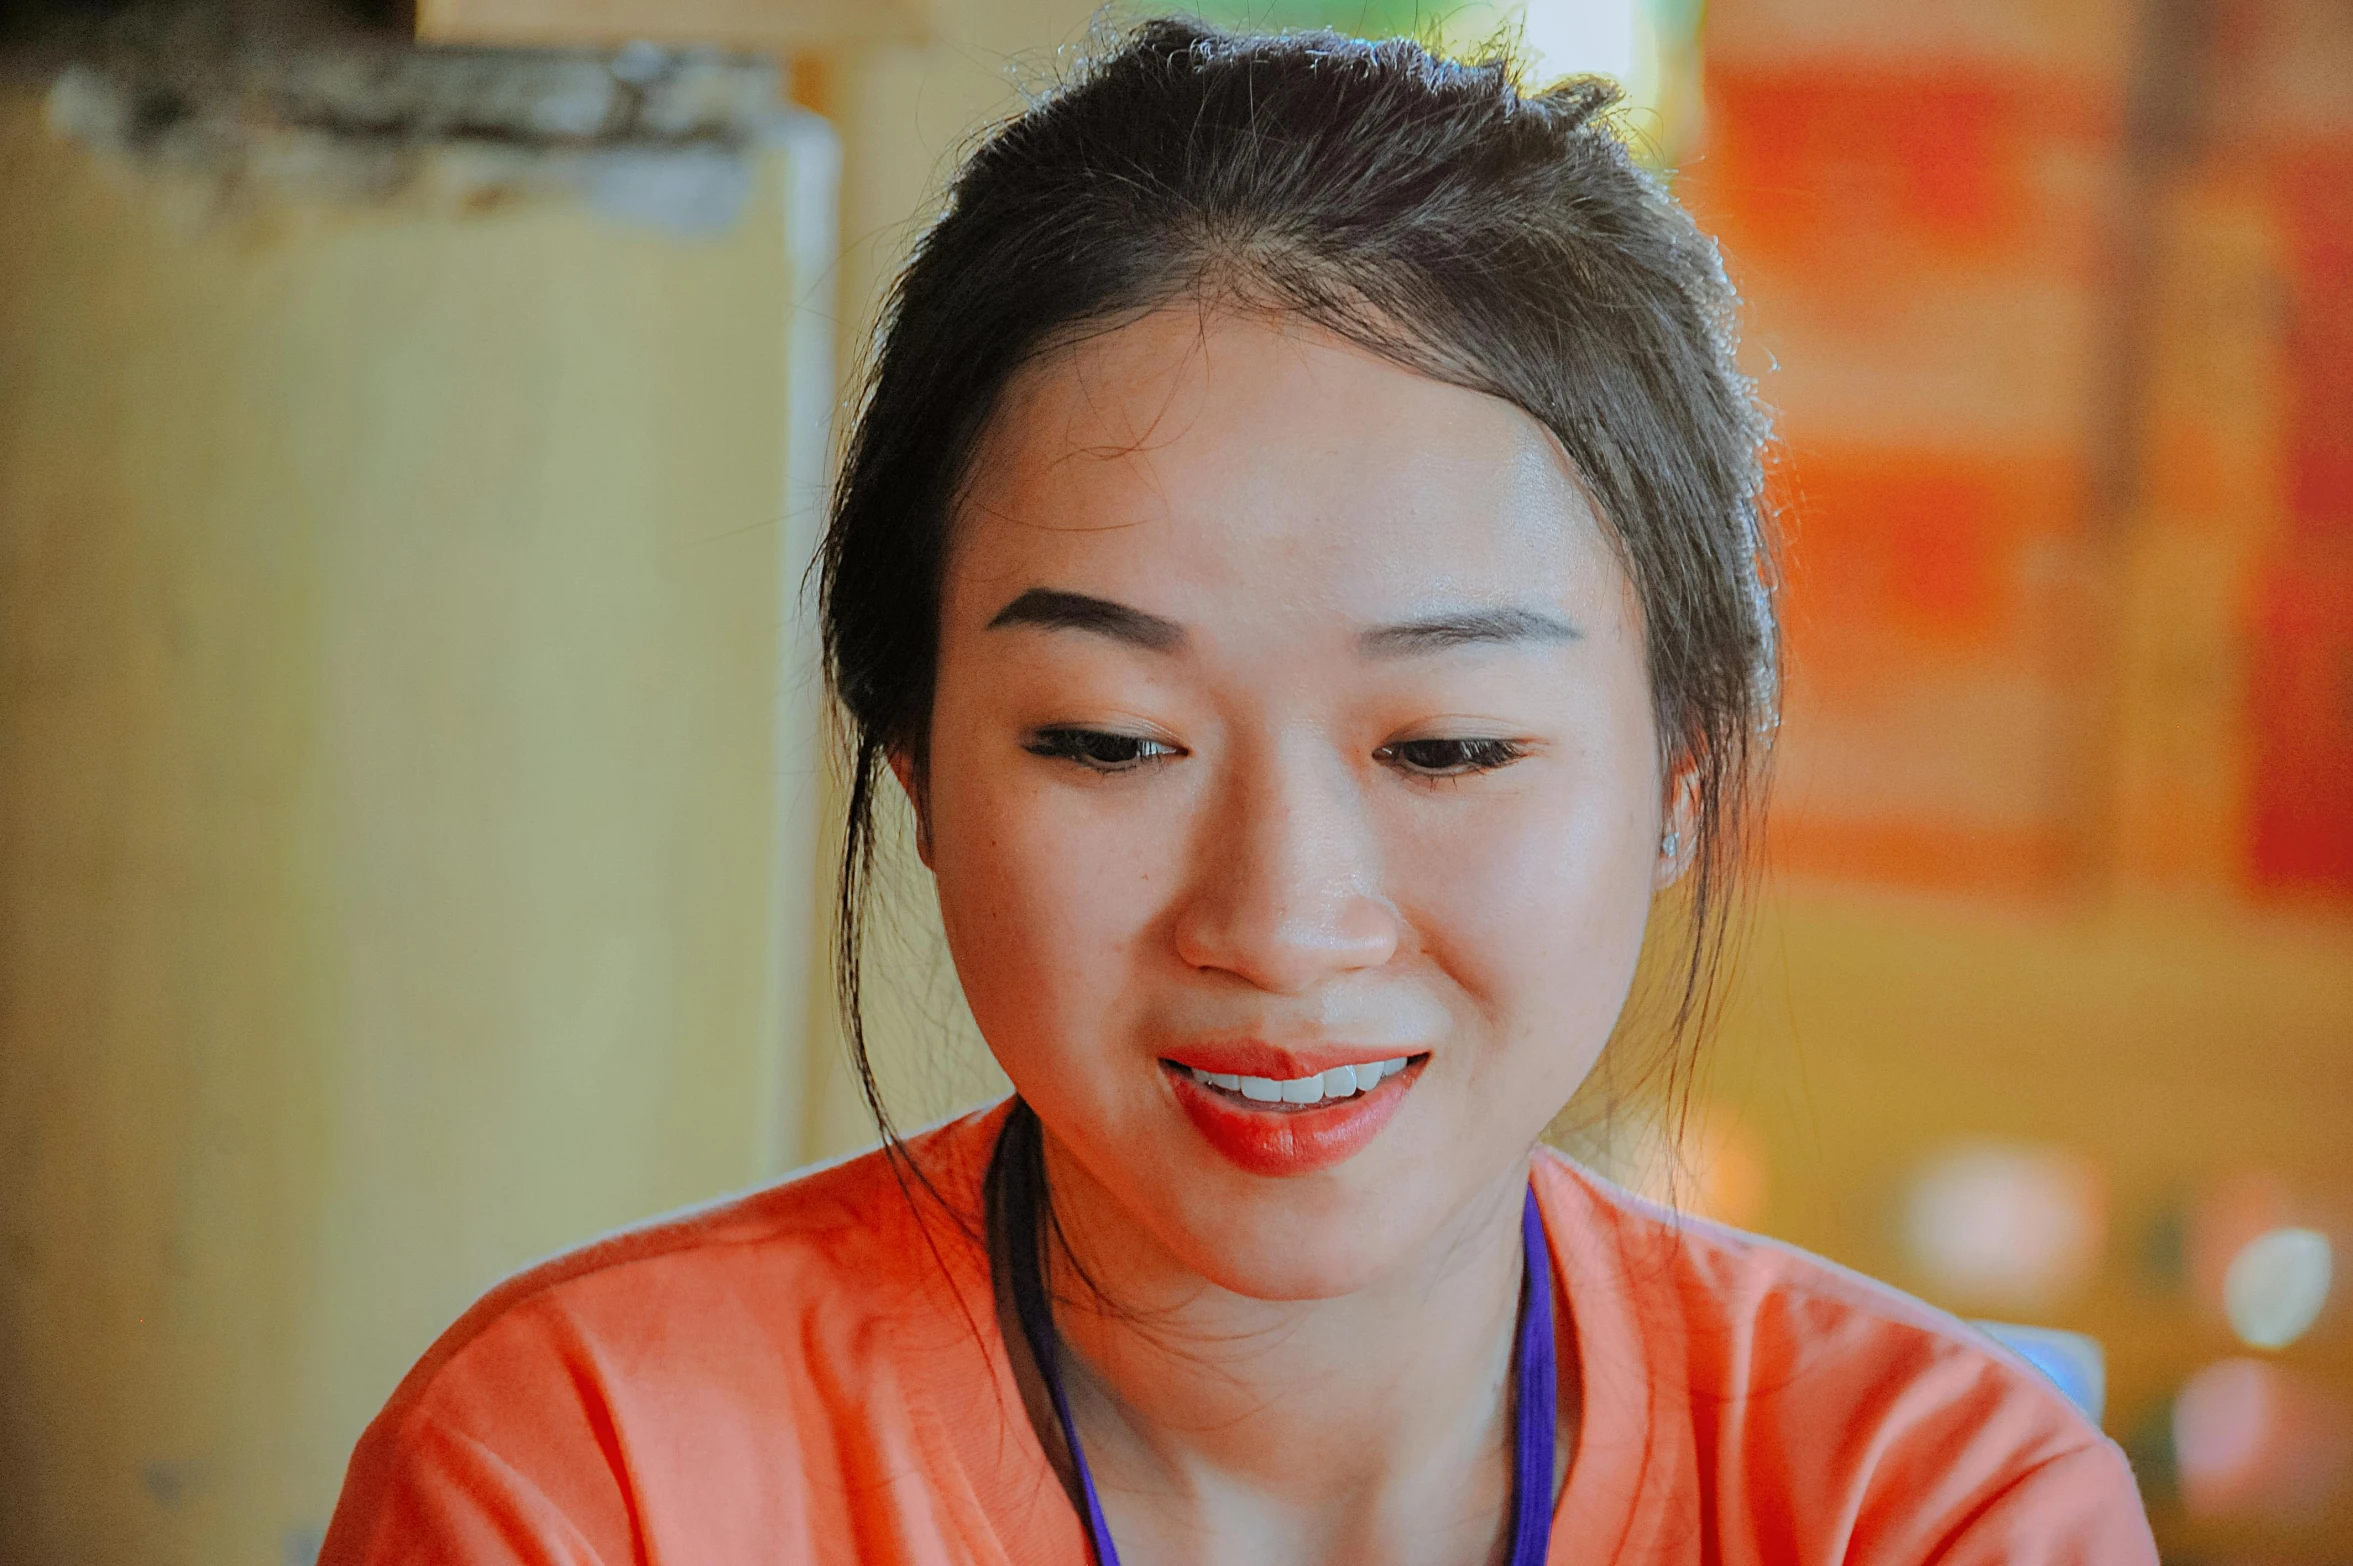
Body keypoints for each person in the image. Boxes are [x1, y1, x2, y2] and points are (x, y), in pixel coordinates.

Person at [320, 20, 2159, 1564]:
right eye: (1114, 741)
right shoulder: (595, 1477)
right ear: (916, 751)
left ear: (1682, 770)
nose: (1281, 920)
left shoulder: (1931, 1507)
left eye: (1444, 746)